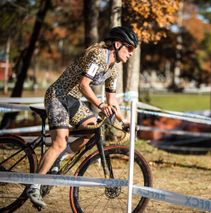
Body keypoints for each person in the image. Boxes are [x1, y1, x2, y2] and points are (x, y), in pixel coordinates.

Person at [27, 26, 139, 209]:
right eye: (130, 48)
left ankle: (59, 158)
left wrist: (123, 120)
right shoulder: (98, 56)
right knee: (60, 142)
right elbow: (83, 85)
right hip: (58, 96)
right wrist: (101, 105)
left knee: (92, 129)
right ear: (118, 45)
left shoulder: (114, 70)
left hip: (72, 101)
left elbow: (112, 99)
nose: (131, 53)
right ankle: (34, 186)